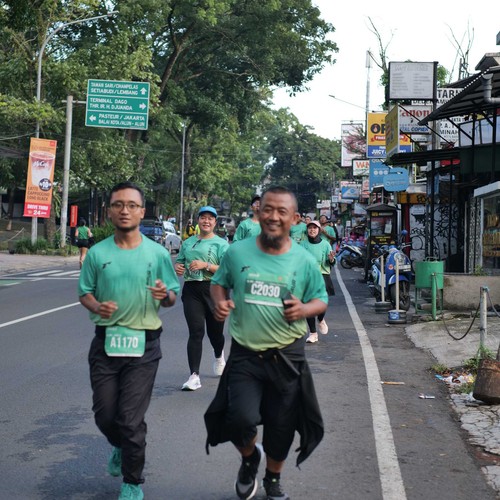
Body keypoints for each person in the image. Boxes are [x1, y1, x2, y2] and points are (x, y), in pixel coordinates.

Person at [205, 186, 328, 500]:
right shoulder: (237, 252)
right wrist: (220, 303)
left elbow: (320, 299)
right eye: (267, 209)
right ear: (258, 213)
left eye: (282, 211)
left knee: (281, 424)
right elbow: (218, 284)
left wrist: (304, 310)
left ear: (295, 219)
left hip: (287, 355)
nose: (273, 216)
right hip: (246, 353)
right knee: (238, 419)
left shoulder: (303, 260)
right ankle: (250, 458)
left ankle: (273, 478)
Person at [78, 181, 180, 500]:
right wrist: (97, 306)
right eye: (118, 204)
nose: (125, 210)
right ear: (110, 210)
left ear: (141, 211)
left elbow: (172, 296)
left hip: (144, 345)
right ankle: (120, 446)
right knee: (105, 415)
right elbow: (85, 292)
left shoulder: (158, 253)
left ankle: (132, 482)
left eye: (132, 205)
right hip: (106, 344)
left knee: (130, 419)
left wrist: (164, 296)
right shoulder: (97, 253)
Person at [175, 206, 230, 391]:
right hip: (192, 290)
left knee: (215, 334)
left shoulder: (221, 244)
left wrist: (205, 265)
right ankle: (194, 376)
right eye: (203, 218)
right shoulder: (188, 243)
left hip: (215, 290)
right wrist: (178, 268)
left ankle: (219, 355)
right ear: (198, 220)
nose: (206, 221)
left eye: (210, 218)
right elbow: (180, 262)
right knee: (196, 332)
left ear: (215, 222)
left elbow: (227, 270)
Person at [300, 220, 336, 343]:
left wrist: (331, 259)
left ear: (319, 230)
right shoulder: (302, 244)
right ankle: (313, 333)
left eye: (314, 228)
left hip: (322, 276)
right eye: (310, 228)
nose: (312, 230)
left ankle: (320, 319)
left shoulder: (325, 245)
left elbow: (331, 262)